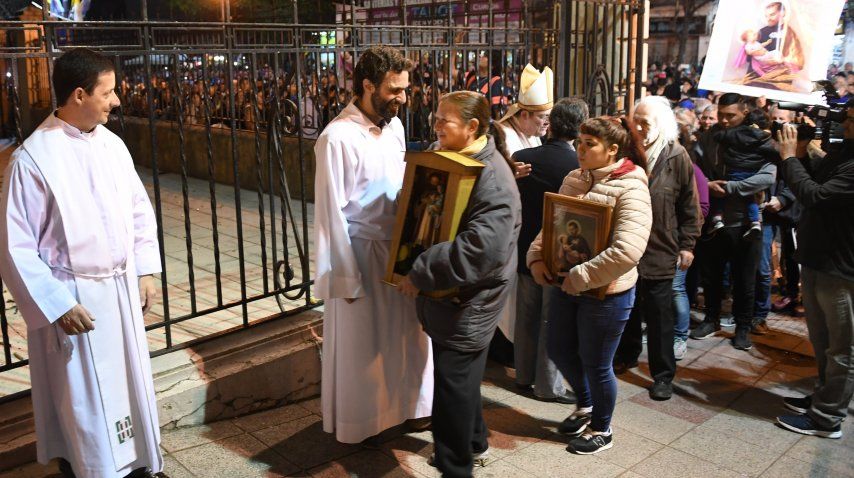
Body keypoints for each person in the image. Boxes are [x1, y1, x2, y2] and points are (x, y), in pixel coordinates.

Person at [0, 48, 165, 478]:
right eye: (107, 93)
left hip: (119, 291)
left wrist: (146, 270)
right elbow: (16, 246)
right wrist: (57, 305)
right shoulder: (33, 159)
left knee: (128, 391)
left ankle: (137, 466)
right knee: (85, 405)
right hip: (76, 303)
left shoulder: (113, 146)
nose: (116, 101)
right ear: (78, 94)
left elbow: (138, 210)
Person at [312, 45, 433, 445]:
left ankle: (412, 409)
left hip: (399, 250)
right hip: (361, 253)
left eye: (405, 89)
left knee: (407, 337)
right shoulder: (337, 138)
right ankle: (363, 422)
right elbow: (330, 213)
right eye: (394, 90)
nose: (403, 98)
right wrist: (342, 278)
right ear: (367, 85)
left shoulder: (395, 126)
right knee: (363, 347)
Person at [397, 90, 521, 477]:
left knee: (452, 387)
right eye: (435, 118)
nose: (435, 127)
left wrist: (419, 268)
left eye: (443, 121)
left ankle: (455, 466)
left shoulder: (494, 180)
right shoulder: (455, 156)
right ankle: (474, 440)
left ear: (472, 127)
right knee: (461, 378)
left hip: (469, 300)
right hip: (452, 295)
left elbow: (479, 251)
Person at [528, 116, 652, 454]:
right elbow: (552, 223)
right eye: (579, 142)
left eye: (589, 144)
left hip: (606, 292)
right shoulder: (574, 177)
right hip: (567, 285)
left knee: (597, 363)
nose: (580, 150)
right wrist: (537, 257)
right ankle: (585, 406)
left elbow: (628, 249)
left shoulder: (631, 186)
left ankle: (602, 428)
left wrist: (582, 276)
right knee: (558, 348)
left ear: (612, 150)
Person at [614, 96, 701, 401]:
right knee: (628, 307)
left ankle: (663, 375)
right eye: (634, 120)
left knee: (660, 317)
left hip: (660, 248)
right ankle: (627, 353)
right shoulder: (626, 151)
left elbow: (689, 205)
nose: (637, 127)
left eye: (644, 122)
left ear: (661, 125)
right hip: (626, 245)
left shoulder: (676, 156)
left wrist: (688, 244)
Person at [774, 110, 854, 439]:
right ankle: (822, 397)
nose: (843, 124)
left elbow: (815, 196)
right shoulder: (845, 152)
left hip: (842, 269)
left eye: (851, 119)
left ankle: (827, 418)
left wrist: (791, 158)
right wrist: (804, 154)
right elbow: (815, 179)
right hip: (819, 259)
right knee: (822, 342)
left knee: (843, 349)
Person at [512, 98, 589, 403]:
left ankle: (522, 375)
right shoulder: (578, 166)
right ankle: (548, 386)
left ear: (551, 124)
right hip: (559, 251)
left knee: (526, 315)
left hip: (524, 245)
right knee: (550, 320)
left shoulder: (522, 156)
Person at [691, 93, 777, 351]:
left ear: (745, 113)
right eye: (722, 115)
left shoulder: (760, 139)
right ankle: (712, 318)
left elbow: (768, 177)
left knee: (745, 279)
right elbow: (693, 172)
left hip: (747, 224)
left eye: (732, 116)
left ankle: (742, 326)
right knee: (712, 276)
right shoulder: (709, 138)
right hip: (715, 222)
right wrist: (706, 185)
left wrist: (732, 188)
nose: (726, 121)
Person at [707, 108, 778, 238]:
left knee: (721, 196)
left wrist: (728, 187)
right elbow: (775, 156)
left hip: (732, 174)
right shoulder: (765, 140)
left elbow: (718, 136)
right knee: (750, 198)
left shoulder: (733, 135)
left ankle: (717, 218)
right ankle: (755, 222)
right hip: (750, 174)